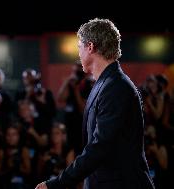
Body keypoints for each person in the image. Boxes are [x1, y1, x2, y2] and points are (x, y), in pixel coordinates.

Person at [35, 18, 155, 189]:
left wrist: (58, 183)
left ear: (90, 47)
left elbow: (100, 147)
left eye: (79, 47)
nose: (78, 54)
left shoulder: (116, 87)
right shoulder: (106, 83)